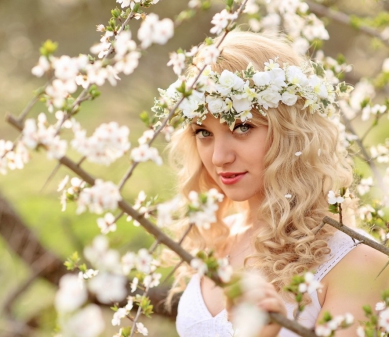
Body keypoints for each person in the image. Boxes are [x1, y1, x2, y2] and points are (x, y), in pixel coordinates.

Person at [157, 31, 389, 337]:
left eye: (242, 127)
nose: (219, 157)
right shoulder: (218, 241)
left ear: (291, 130)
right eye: (203, 132)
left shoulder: (360, 264)